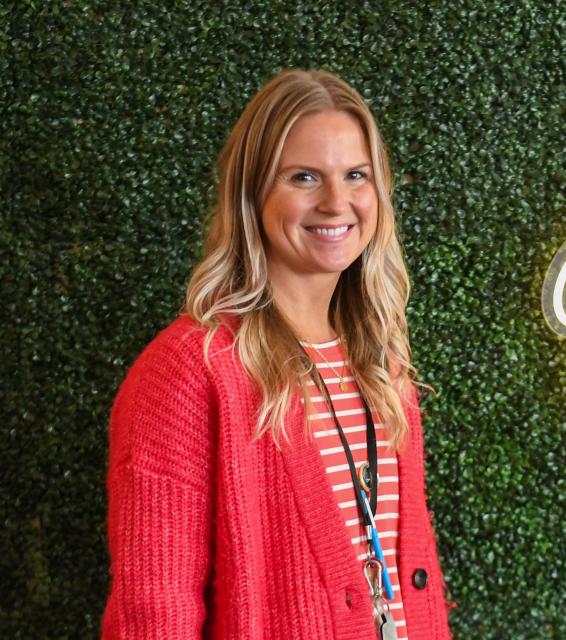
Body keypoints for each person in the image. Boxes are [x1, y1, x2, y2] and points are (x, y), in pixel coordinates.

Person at [101, 68, 452, 639]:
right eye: (305, 177)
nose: (337, 202)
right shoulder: (190, 370)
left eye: (355, 175)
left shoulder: (382, 361)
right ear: (253, 193)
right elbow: (153, 616)